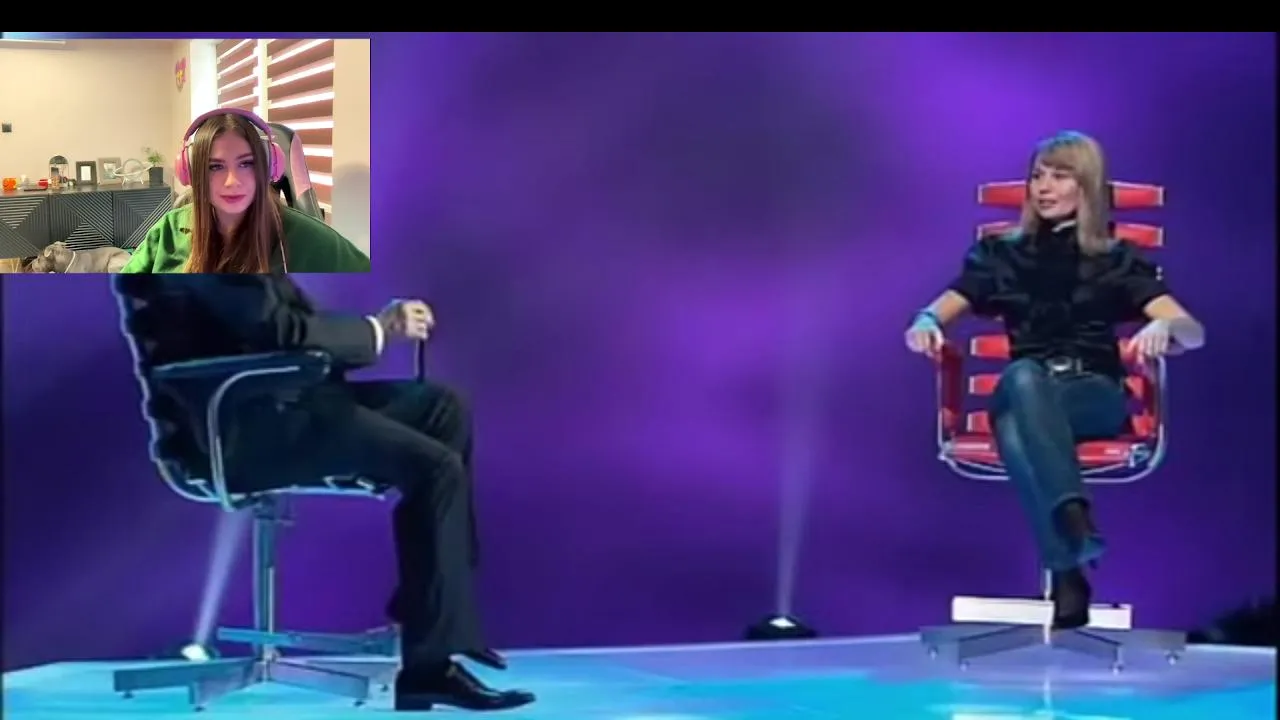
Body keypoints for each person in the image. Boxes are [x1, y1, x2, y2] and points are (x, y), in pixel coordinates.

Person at [113, 274, 534, 712]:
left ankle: (440, 613)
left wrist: (373, 328)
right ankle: (430, 662)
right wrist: (378, 329)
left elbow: (296, 323)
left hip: (294, 403)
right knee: (436, 467)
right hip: (245, 429)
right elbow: (278, 330)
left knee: (443, 409)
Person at [904, 131, 1205, 629]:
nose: (1043, 188)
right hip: (1023, 389)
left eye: (1060, 177)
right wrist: (925, 323)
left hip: (1093, 394)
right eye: (1037, 176)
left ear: (1086, 186)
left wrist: (1165, 327)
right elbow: (936, 310)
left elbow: (1193, 331)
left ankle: (1067, 565)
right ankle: (1072, 520)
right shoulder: (1000, 254)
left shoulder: (1115, 258)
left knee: (1016, 426)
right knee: (1024, 377)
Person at [120, 109, 370, 273]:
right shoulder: (168, 232)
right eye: (215, 167)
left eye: (246, 163)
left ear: (269, 166)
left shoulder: (311, 240)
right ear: (191, 173)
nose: (232, 181)